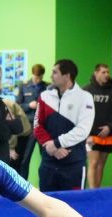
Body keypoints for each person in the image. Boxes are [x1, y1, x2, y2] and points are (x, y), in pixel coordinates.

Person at [33, 59, 95, 191]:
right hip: (48, 163)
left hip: (74, 165)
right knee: (46, 203)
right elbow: (37, 125)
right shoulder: (44, 96)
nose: (51, 76)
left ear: (67, 76)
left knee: (73, 203)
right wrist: (51, 146)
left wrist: (56, 144)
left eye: (55, 72)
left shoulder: (85, 97)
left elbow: (83, 130)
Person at [83, 64, 112, 189]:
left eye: (107, 72)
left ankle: (97, 190)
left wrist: (109, 127)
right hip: (91, 135)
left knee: (101, 165)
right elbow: (80, 113)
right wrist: (86, 134)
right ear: (96, 73)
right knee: (93, 163)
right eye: (103, 72)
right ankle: (92, 192)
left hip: (107, 135)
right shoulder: (86, 90)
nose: (106, 74)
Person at [16, 64, 49, 178]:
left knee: (46, 157)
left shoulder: (48, 87)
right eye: (36, 77)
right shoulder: (23, 86)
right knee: (25, 158)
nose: (38, 80)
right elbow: (17, 106)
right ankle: (22, 184)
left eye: (40, 77)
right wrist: (29, 105)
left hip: (43, 126)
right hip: (29, 126)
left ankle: (45, 184)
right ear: (32, 74)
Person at [2, 98, 31, 175]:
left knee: (14, 163)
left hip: (20, 135)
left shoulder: (4, 105)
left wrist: (11, 148)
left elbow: (13, 126)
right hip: (19, 132)